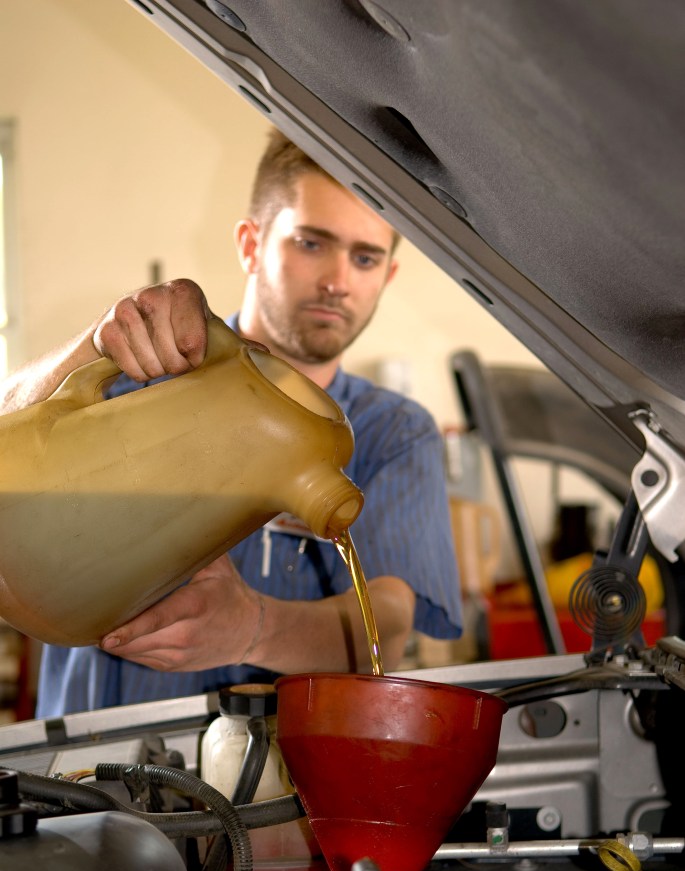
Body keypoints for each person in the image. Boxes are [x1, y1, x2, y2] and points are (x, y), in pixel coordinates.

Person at [0, 130, 463, 716]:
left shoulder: (394, 432)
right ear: (251, 244)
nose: (337, 281)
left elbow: (388, 628)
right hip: (89, 772)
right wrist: (95, 345)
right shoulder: (152, 363)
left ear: (388, 275)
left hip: (272, 788)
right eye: (311, 243)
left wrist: (252, 628)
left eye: (365, 256)